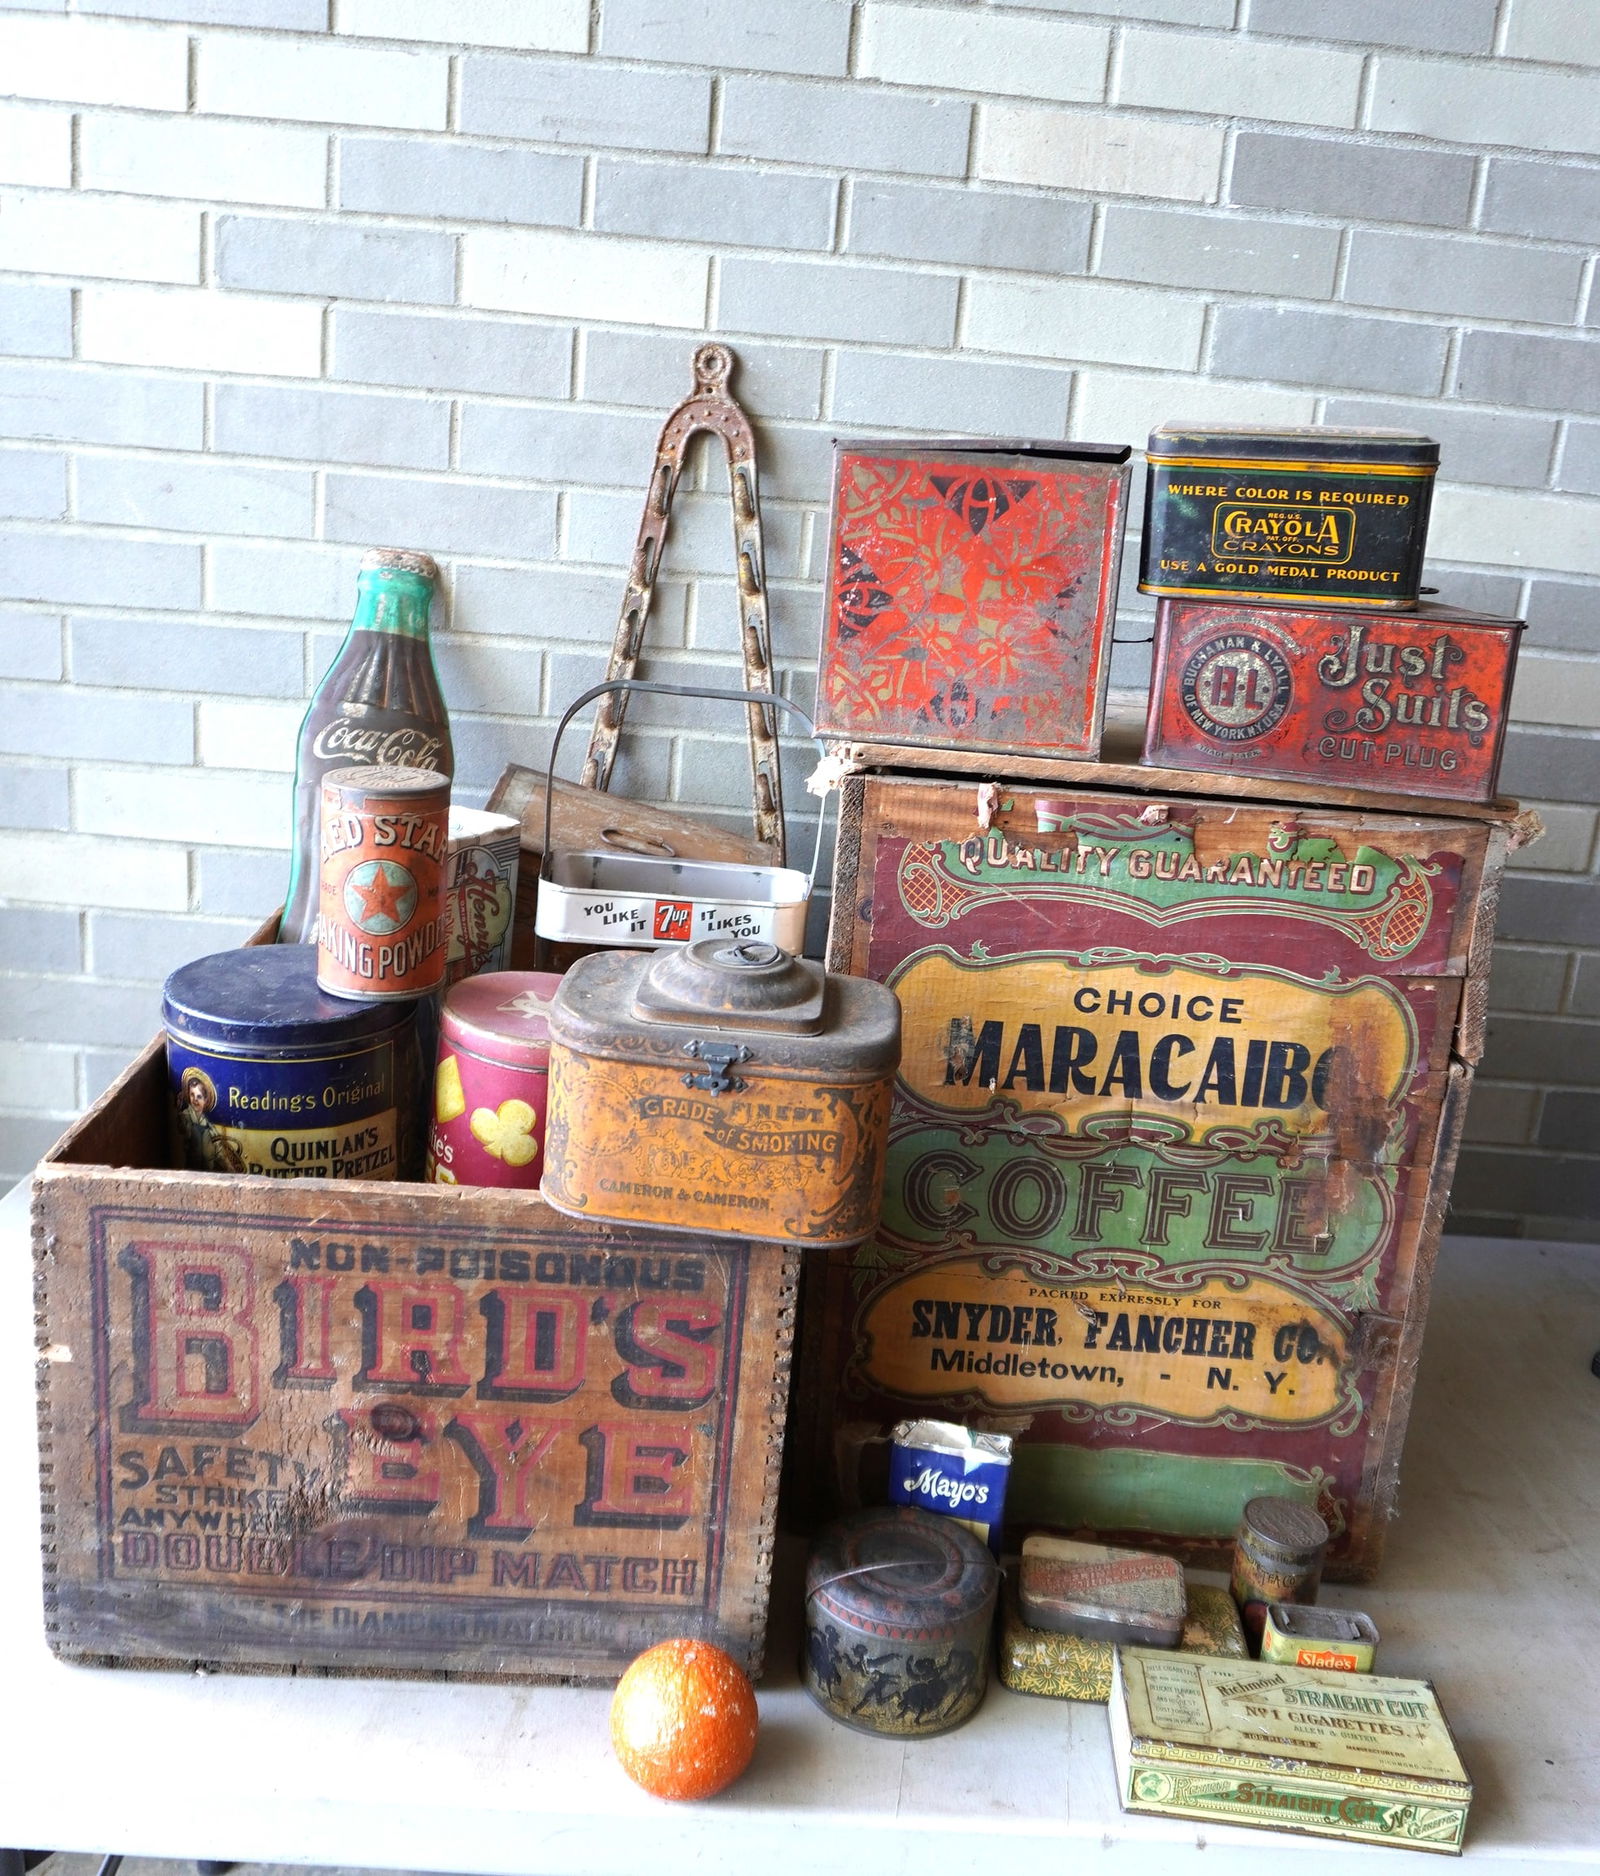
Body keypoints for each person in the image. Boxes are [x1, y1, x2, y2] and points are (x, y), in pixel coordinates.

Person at [176, 1067, 245, 1174]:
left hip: (209, 1175)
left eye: (199, 1097)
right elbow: (180, 1131)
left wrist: (228, 1165)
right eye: (192, 1095)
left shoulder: (208, 1126)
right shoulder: (185, 1116)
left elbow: (219, 1148)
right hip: (190, 1172)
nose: (195, 1100)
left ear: (206, 1100)